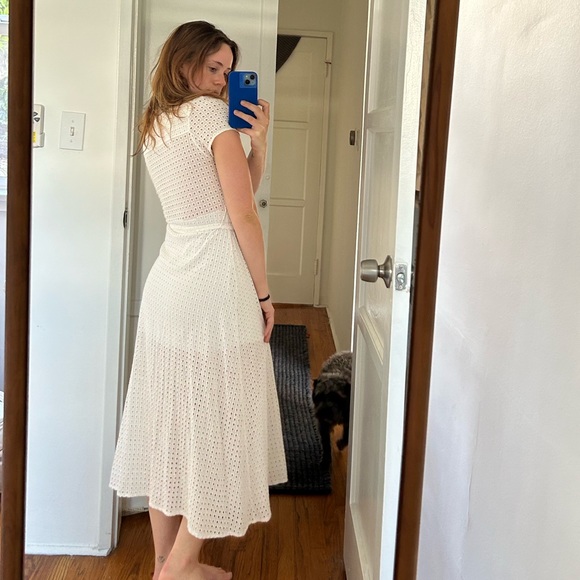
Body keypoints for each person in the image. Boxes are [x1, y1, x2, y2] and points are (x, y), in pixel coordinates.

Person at [109, 21, 288, 580]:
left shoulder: (156, 122)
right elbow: (243, 215)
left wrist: (257, 145)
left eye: (229, 72)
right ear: (182, 62)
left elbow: (227, 195)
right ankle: (180, 568)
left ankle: (165, 562)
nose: (222, 81)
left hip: (170, 284)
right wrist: (264, 294)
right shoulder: (212, 118)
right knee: (220, 425)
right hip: (216, 287)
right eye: (214, 68)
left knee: (169, 426)